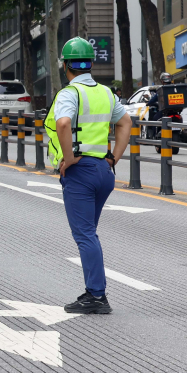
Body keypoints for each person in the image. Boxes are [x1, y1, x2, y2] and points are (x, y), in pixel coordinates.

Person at [47, 38, 133, 314]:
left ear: (65, 65)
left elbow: (62, 122)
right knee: (89, 234)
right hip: (103, 172)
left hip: (81, 172)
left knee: (84, 235)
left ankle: (96, 295)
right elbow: (125, 122)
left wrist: (68, 157)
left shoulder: (70, 93)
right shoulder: (106, 93)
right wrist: (114, 157)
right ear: (91, 64)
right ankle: (92, 291)